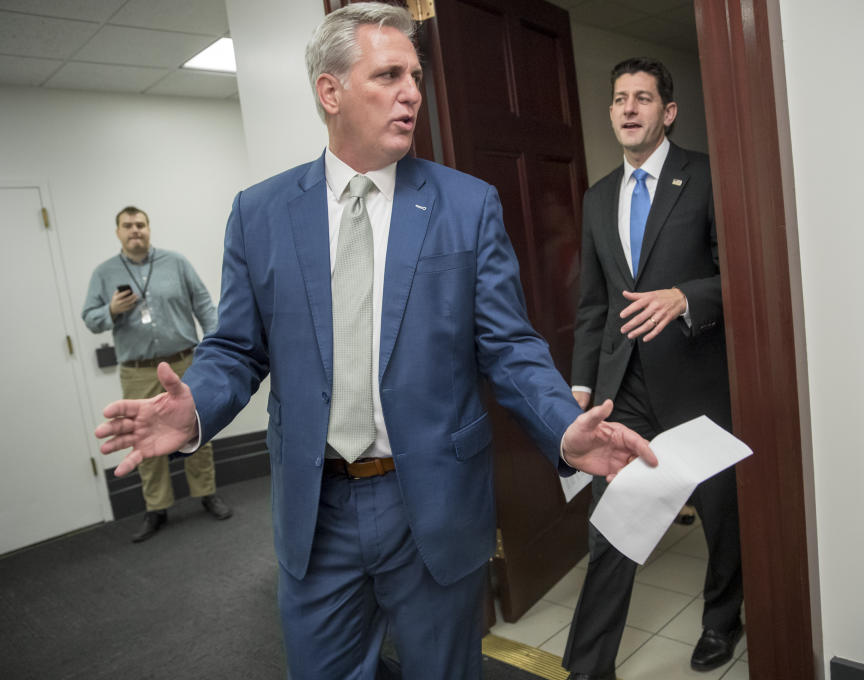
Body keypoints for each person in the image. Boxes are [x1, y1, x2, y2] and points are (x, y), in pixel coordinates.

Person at [94, 6, 657, 680]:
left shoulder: (466, 204)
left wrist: (566, 430)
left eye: (414, 76)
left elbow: (509, 345)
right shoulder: (260, 214)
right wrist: (195, 412)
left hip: (433, 502)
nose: (412, 92)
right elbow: (238, 350)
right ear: (330, 92)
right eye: (388, 75)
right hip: (317, 509)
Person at [563, 57, 744, 678]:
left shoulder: (707, 177)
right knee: (614, 523)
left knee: (721, 512)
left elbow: (742, 275)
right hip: (625, 386)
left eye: (643, 98)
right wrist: (581, 387)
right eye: (620, 99)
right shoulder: (597, 198)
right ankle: (590, 665)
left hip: (697, 377)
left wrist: (686, 296)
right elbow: (594, 304)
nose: (629, 108)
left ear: (668, 111)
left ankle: (723, 620)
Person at [82, 206, 232, 542]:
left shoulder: (176, 263)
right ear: (117, 232)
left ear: (149, 228)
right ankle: (157, 507)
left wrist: (217, 346)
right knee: (142, 436)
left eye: (140, 224)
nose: (135, 230)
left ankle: (207, 492)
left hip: (184, 363)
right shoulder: (103, 273)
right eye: (127, 226)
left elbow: (204, 304)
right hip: (137, 371)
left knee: (198, 429)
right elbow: (90, 318)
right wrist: (110, 310)